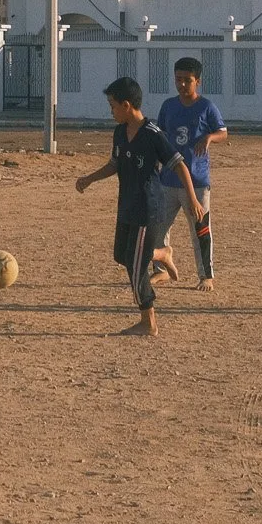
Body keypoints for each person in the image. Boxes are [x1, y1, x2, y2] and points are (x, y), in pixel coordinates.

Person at [73, 76, 188, 337]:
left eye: (112, 105)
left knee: (136, 268)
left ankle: (148, 322)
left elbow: (179, 164)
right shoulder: (120, 132)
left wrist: (192, 199)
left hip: (148, 209)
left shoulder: (153, 134)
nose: (110, 110)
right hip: (126, 205)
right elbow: (115, 164)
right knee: (122, 256)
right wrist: (89, 179)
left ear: (126, 105)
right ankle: (162, 254)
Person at [153, 56, 226, 289]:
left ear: (198, 81)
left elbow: (223, 132)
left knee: (200, 229)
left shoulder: (206, 107)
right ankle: (161, 269)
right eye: (178, 80)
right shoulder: (168, 106)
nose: (182, 85)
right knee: (158, 227)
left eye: (187, 80)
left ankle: (206, 275)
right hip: (168, 180)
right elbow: (160, 136)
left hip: (196, 182)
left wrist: (209, 137)